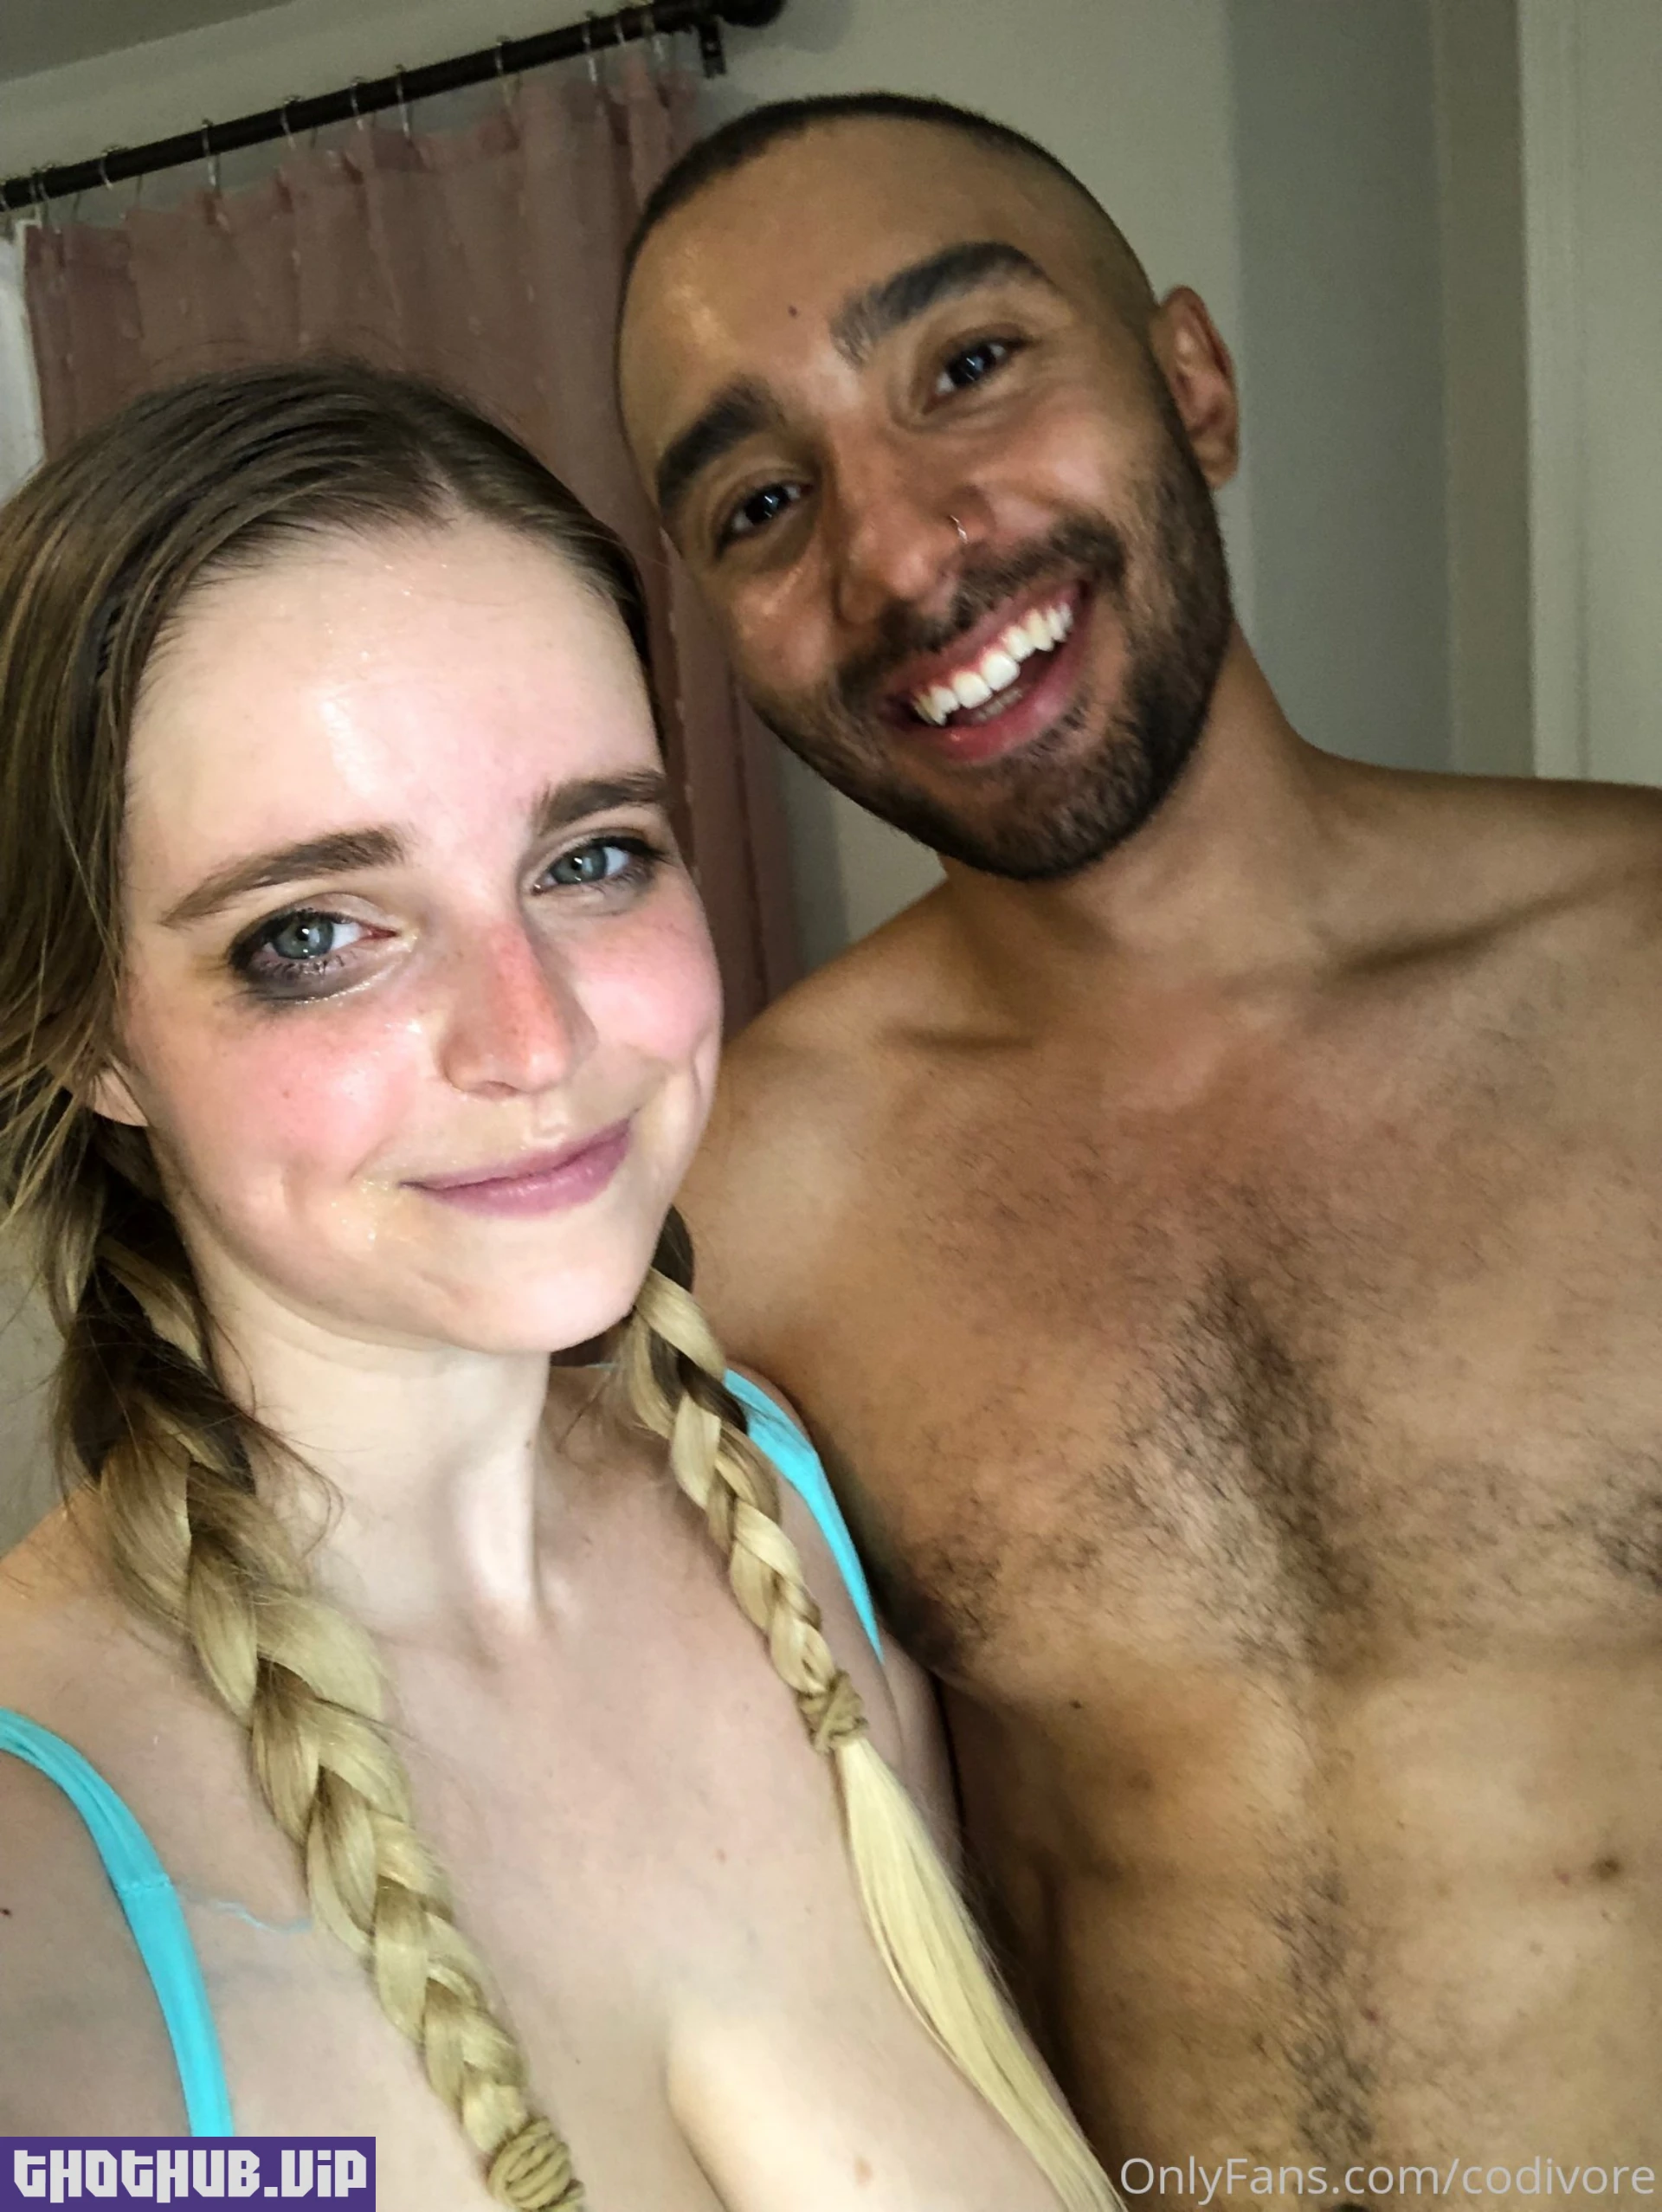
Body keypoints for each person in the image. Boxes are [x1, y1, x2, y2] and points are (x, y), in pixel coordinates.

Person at [614, 92, 1662, 2202]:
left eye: (970, 365)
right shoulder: (728, 1201)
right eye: (761, 501)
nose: (901, 553)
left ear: (1192, 378)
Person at [0, 361, 1115, 2212]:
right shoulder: (42, 1877)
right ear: (85, 1033)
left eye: (592, 858)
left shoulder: (779, 1512)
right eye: (315, 934)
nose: (533, 1037)